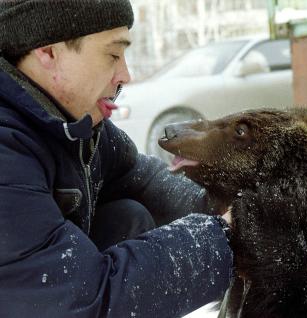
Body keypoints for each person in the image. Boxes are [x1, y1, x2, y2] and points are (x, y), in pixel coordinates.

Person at [0, 1, 233, 317]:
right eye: (112, 55)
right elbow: (77, 302)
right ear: (48, 52)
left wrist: (225, 210)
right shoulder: (7, 147)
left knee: (127, 216)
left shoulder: (76, 126)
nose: (126, 75)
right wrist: (226, 239)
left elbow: (138, 177)